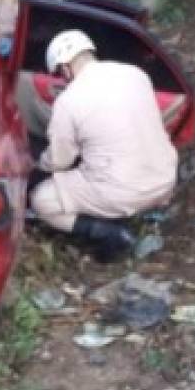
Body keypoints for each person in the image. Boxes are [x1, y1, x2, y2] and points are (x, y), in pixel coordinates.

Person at [29, 30, 178, 262]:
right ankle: (129, 214)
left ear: (65, 68)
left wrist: (37, 163)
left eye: (60, 74)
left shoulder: (69, 101)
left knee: (42, 199)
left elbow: (60, 161)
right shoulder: (136, 75)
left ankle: (110, 234)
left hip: (124, 191)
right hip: (164, 179)